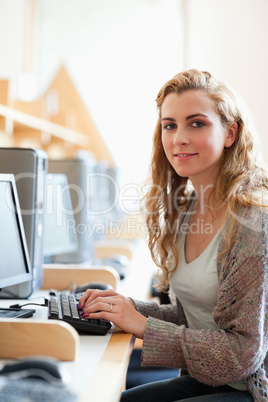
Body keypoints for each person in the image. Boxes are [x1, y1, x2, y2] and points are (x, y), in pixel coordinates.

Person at [79, 69, 268, 401]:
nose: (179, 137)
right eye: (170, 125)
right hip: (212, 379)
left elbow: (242, 353)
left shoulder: (252, 222)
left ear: (230, 133)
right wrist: (126, 308)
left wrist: (143, 326)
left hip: (251, 389)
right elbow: (196, 314)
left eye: (197, 123)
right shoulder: (188, 208)